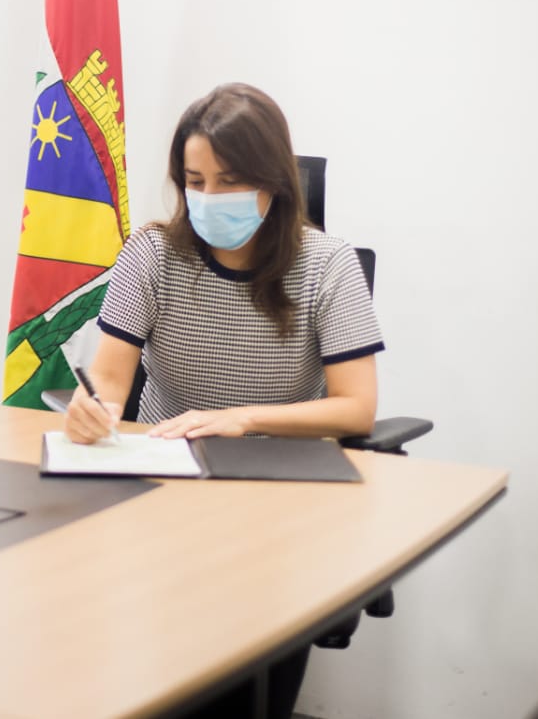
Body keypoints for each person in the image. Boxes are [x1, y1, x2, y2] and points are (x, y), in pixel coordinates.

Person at [63, 82, 384, 718]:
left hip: (282, 498)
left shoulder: (328, 264)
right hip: (164, 486)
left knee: (240, 682)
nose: (208, 199)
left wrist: (241, 418)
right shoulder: (152, 253)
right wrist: (92, 407)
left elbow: (357, 410)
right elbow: (110, 381)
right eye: (194, 180)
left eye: (229, 180)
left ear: (275, 181)